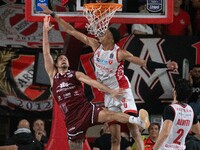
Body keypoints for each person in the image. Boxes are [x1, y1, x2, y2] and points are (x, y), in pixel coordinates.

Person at [40, 4, 178, 150]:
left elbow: (143, 62)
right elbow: (71, 30)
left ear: (111, 39)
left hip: (122, 90)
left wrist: (165, 65)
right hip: (108, 93)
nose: (101, 33)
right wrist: (54, 15)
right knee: (115, 137)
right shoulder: (95, 45)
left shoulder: (120, 53)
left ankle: (140, 134)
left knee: (133, 129)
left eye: (105, 33)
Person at [153, 79, 200, 150]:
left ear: (175, 92)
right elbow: (198, 131)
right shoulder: (191, 111)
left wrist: (154, 148)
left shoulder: (170, 109)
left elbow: (165, 133)